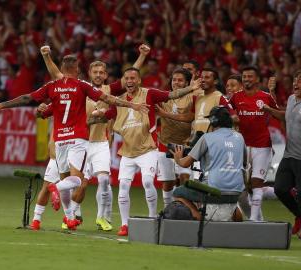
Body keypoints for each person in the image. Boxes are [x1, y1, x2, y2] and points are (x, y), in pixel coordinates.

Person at [0, 54, 149, 230]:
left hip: (59, 140)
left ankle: (69, 218)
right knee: (76, 180)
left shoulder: (52, 86)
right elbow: (108, 99)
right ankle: (56, 188)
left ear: (62, 70)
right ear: (77, 69)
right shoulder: (82, 85)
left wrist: (1, 106)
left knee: (67, 184)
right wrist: (132, 105)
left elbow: (27, 98)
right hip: (77, 139)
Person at [40, 44, 151, 231]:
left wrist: (142, 55)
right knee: (80, 184)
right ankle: (72, 215)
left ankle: (102, 218)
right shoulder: (79, 88)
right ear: (89, 73)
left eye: (102, 72)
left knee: (104, 180)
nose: (98, 75)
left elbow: (130, 77)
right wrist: (47, 57)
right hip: (81, 143)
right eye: (95, 72)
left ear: (106, 75)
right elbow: (57, 75)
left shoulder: (109, 89)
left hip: (100, 143)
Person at [90, 67, 201, 236]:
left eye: (133, 78)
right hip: (127, 151)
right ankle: (125, 224)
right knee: (124, 187)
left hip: (147, 149)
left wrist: (191, 88)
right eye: (126, 78)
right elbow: (107, 115)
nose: (129, 81)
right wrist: (97, 114)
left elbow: (171, 95)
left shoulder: (149, 94)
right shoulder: (120, 101)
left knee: (148, 182)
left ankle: (151, 219)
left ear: (139, 80)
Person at [265, 70, 301, 239]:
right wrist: (269, 109)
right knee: (280, 189)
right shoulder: (291, 99)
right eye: (295, 80)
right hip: (289, 154)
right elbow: (285, 116)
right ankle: (299, 215)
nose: (295, 83)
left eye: (300, 81)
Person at [171, 106, 246, 221]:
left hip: (214, 190)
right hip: (236, 191)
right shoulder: (240, 137)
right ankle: (238, 222)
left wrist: (177, 158)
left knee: (178, 192)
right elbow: (244, 163)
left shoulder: (207, 137)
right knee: (229, 201)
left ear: (214, 121)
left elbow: (185, 163)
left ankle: (199, 216)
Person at [229, 66, 278, 221]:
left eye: (250, 76)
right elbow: (227, 113)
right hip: (241, 146)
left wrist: (272, 93)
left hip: (262, 145)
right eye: (244, 76)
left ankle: (254, 220)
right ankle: (283, 193)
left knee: (256, 182)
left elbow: (277, 113)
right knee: (244, 186)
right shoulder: (235, 97)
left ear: (257, 79)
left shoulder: (265, 96)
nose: (247, 79)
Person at [157, 68, 194, 207]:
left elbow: (189, 118)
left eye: (180, 80)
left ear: (187, 83)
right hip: (165, 144)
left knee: (185, 178)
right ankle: (168, 210)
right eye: (174, 80)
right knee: (168, 182)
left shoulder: (192, 97)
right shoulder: (164, 97)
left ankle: (186, 208)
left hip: (185, 145)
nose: (176, 83)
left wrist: (165, 114)